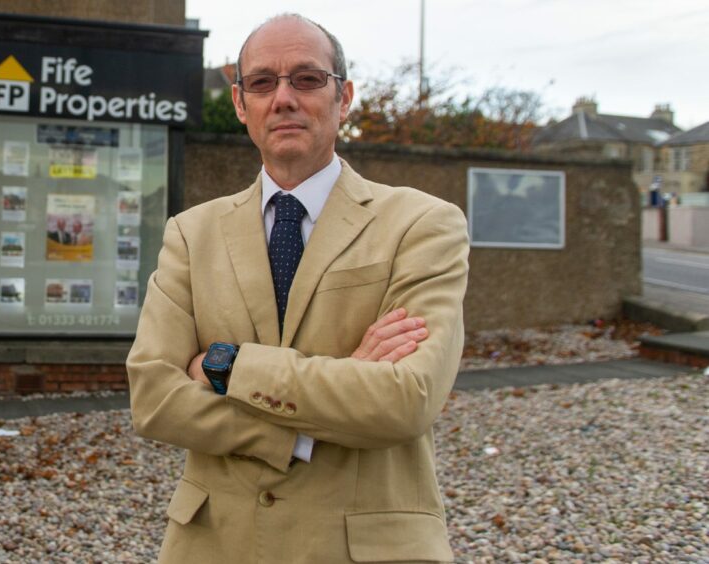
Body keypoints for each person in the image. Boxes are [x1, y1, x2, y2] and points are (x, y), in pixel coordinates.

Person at [127, 13, 469, 563]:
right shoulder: (191, 234)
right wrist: (297, 433)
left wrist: (225, 366)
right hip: (215, 546)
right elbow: (154, 399)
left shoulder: (422, 224)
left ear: (345, 96)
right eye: (263, 82)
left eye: (307, 79)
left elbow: (406, 400)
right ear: (240, 104)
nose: (283, 97)